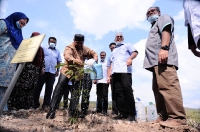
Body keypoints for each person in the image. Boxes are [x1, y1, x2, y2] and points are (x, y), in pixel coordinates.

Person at [144, 6, 187, 128]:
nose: (150, 13)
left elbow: (166, 30)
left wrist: (164, 48)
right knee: (158, 89)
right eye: (148, 13)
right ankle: (163, 116)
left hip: (164, 59)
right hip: (155, 63)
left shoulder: (163, 18)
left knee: (168, 86)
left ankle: (177, 118)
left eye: (152, 11)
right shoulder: (153, 26)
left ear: (158, 12)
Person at [46, 34, 98, 119]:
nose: (80, 45)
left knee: (76, 92)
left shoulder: (84, 48)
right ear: (74, 41)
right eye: (78, 43)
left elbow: (92, 52)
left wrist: (95, 57)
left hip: (78, 73)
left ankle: (73, 111)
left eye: (82, 43)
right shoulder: (69, 47)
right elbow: (67, 56)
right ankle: (52, 110)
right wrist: (75, 60)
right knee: (59, 89)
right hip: (67, 71)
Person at [8, 32, 45, 110]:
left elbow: (42, 60)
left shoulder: (41, 49)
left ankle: (26, 107)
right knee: (21, 88)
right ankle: (15, 106)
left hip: (35, 72)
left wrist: (42, 68)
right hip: (24, 71)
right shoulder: (26, 45)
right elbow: (20, 56)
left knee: (31, 89)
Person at [0, 12, 29, 111]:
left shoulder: (19, 34)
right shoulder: (4, 24)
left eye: (26, 22)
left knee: (5, 85)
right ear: (17, 17)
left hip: (10, 64)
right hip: (1, 59)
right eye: (23, 20)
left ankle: (3, 107)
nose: (24, 23)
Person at [110, 32, 138, 121]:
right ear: (115, 39)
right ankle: (122, 113)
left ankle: (131, 114)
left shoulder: (127, 45)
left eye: (120, 36)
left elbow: (135, 52)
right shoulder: (114, 50)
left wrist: (130, 58)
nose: (119, 38)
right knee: (118, 93)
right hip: (116, 72)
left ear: (123, 38)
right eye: (117, 37)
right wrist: (111, 73)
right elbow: (112, 62)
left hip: (125, 71)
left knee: (127, 90)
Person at [34, 37, 62, 110]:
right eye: (51, 41)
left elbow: (59, 61)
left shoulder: (57, 52)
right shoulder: (43, 48)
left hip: (52, 72)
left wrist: (58, 70)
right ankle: (35, 104)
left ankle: (46, 105)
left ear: (56, 43)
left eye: (54, 42)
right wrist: (40, 68)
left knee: (49, 89)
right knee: (38, 87)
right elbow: (40, 57)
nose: (52, 43)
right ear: (48, 42)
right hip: (43, 71)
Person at [95, 51, 109, 116]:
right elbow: (95, 71)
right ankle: (99, 109)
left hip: (105, 81)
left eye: (103, 55)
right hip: (98, 81)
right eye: (101, 55)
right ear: (100, 56)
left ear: (105, 56)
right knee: (99, 96)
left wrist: (109, 78)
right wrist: (95, 79)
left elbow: (109, 70)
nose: (102, 56)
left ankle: (105, 111)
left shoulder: (107, 62)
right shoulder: (98, 62)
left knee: (105, 96)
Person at [107, 42, 118, 115]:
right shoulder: (110, 57)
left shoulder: (121, 55)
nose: (112, 49)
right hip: (113, 76)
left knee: (121, 93)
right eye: (111, 48)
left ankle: (123, 110)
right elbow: (109, 67)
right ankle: (115, 111)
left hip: (121, 75)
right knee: (114, 93)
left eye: (114, 47)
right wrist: (108, 76)